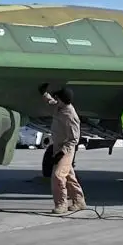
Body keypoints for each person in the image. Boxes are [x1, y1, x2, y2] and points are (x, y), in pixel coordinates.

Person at [39, 83, 86, 214]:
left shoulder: (70, 115)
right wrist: (44, 94)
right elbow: (51, 102)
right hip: (58, 147)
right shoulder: (59, 108)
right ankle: (79, 201)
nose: (56, 100)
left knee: (58, 176)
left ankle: (61, 204)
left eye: (58, 98)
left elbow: (74, 139)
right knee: (69, 177)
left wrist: (62, 153)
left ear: (63, 100)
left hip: (66, 150)